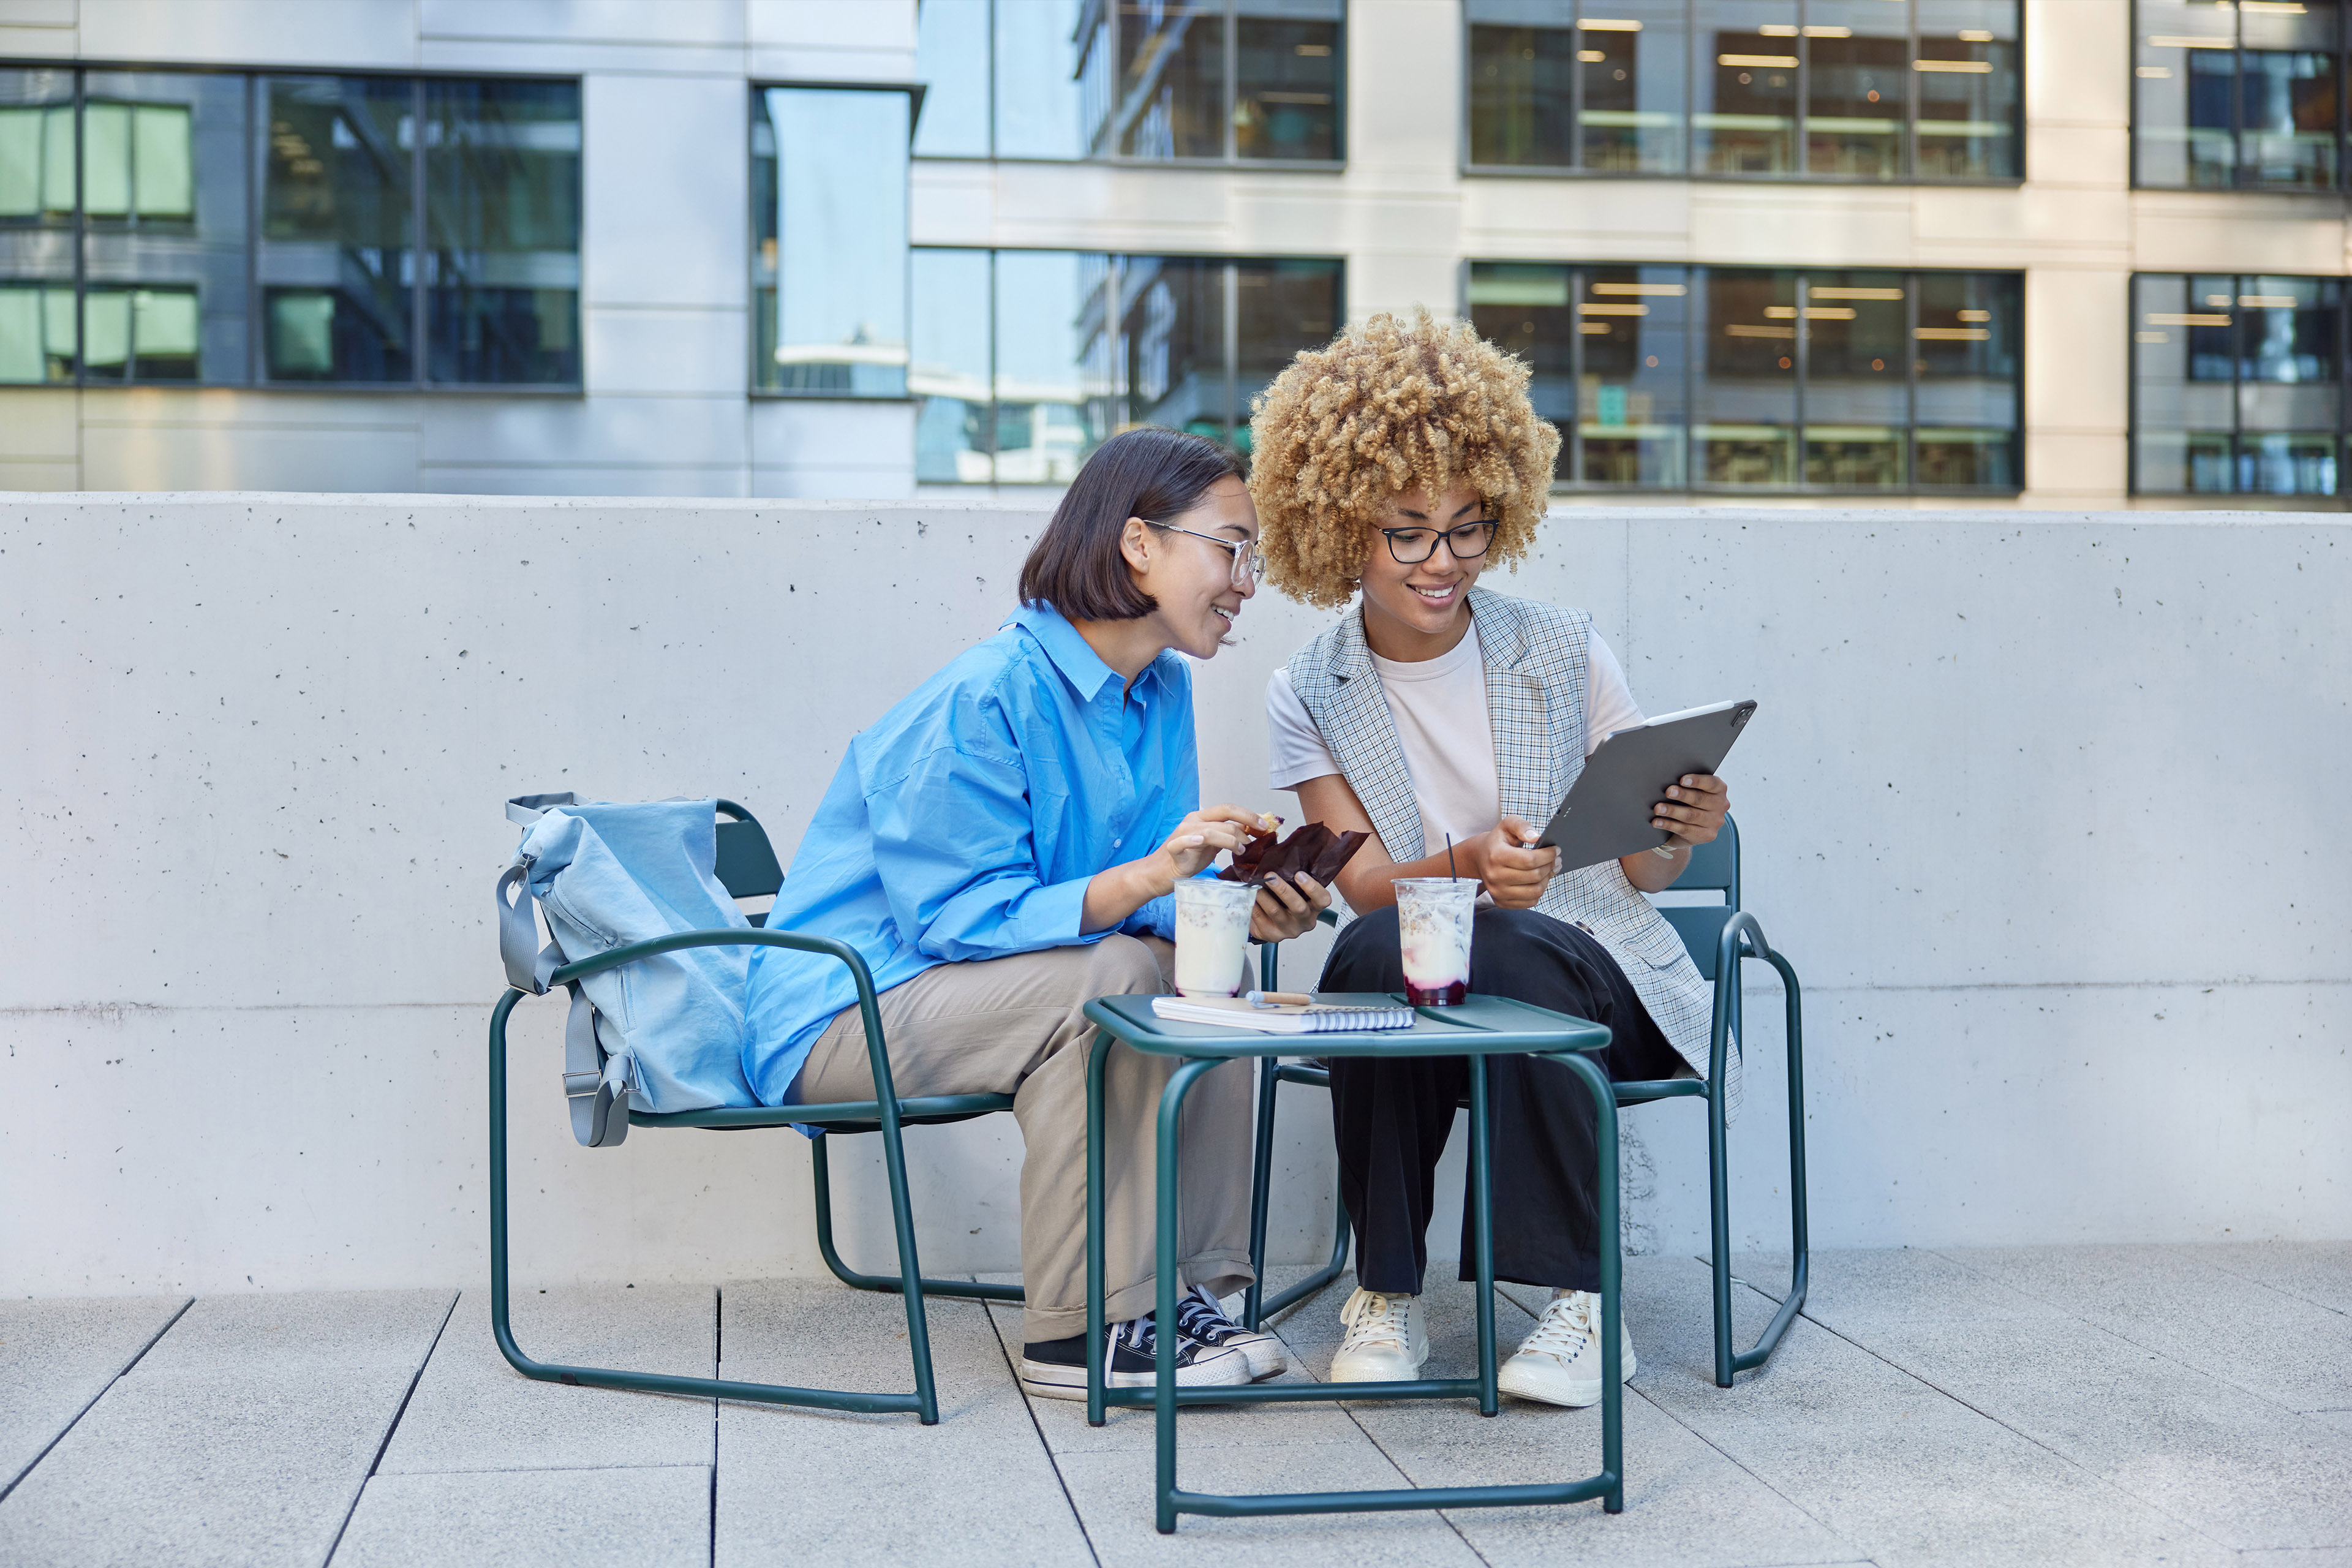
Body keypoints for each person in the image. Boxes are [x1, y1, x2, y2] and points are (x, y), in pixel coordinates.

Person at [740, 427, 1333, 1400]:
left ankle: (1184, 1293)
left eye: (1251, 556)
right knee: (1114, 983)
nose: (1247, 582)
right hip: (844, 1014)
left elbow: (1138, 909)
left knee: (1201, 977)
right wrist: (1152, 883)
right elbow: (955, 921)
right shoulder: (984, 695)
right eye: (1232, 548)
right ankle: (1080, 1331)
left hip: (1016, 992)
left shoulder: (1159, 690)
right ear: (1140, 543)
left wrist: (1234, 912)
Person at [1246, 312, 1735, 1409]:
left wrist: (1676, 830)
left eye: (1468, 530)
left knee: (1509, 940)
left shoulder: (1562, 646)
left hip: (1595, 964)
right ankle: (1389, 1292)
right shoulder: (1308, 690)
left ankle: (1580, 1303)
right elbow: (1362, 885)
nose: (1442, 563)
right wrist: (1464, 863)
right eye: (1407, 532)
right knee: (1378, 946)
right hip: (1424, 967)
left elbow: (1640, 876)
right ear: (1337, 531)